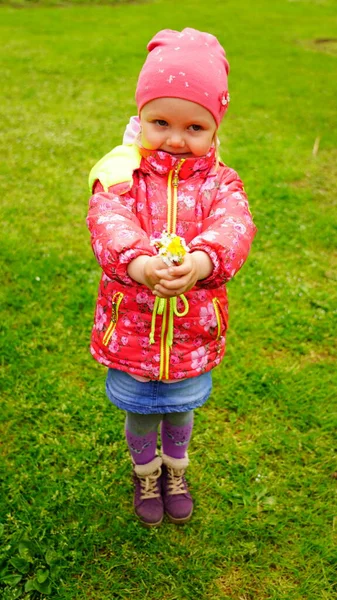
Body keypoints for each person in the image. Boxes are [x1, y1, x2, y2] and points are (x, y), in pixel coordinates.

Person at [87, 28, 257, 527]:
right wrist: (138, 264)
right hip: (134, 330)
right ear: (139, 117)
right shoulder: (121, 173)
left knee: (181, 408)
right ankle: (145, 470)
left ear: (215, 128)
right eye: (160, 122)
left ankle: (175, 468)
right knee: (140, 409)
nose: (177, 139)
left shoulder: (222, 182)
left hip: (191, 332)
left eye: (195, 127)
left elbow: (235, 226)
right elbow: (106, 221)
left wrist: (202, 262)